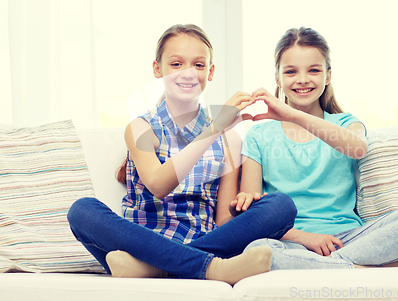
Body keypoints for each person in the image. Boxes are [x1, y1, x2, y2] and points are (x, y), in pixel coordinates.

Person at [67, 24, 296, 284]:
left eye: (198, 65)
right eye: (176, 64)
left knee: (281, 206)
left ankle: (156, 268)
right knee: (82, 210)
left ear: (210, 72)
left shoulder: (230, 139)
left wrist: (245, 206)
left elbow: (222, 219)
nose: (188, 73)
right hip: (141, 242)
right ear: (158, 69)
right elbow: (157, 185)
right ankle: (212, 269)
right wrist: (213, 129)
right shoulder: (141, 128)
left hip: (203, 240)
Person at [241, 27, 398, 269]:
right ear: (277, 79)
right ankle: (358, 268)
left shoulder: (346, 124)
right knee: (257, 250)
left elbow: (358, 149)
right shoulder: (259, 135)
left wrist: (293, 115)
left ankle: (330, 266)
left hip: (349, 238)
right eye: (291, 71)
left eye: (314, 70)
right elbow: (251, 214)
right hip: (291, 241)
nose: (303, 79)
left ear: (328, 76)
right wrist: (305, 238)